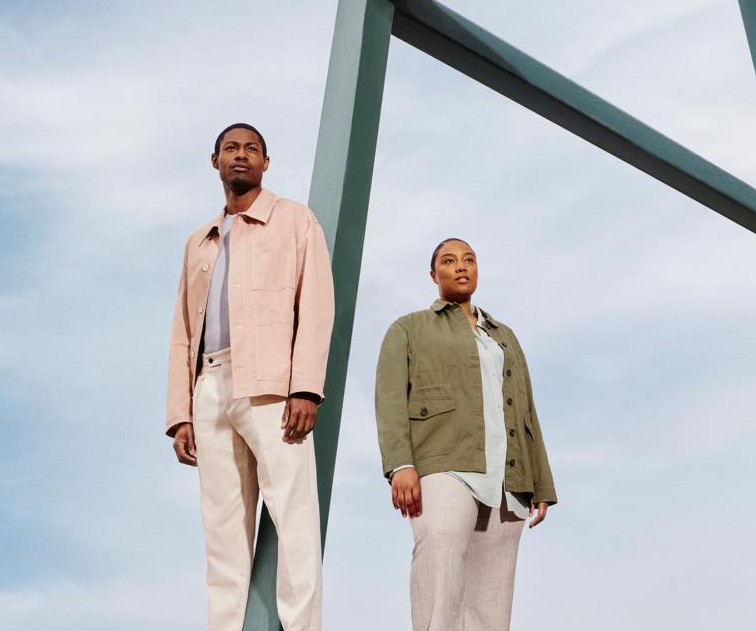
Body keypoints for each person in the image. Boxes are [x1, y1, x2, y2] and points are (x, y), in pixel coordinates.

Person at [165, 122, 334, 631]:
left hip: (271, 387)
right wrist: (180, 414)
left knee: (295, 519)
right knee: (222, 533)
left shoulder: (295, 220)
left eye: (252, 149)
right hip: (210, 386)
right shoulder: (199, 241)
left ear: (266, 162)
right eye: (231, 148)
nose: (241, 155)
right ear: (215, 160)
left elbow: (317, 305)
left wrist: (305, 387)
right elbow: (183, 330)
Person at [375, 238, 556, 630]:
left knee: (491, 597)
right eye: (449, 260)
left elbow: (527, 408)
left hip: (507, 476)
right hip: (443, 465)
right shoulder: (409, 328)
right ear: (433, 274)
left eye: (469, 259)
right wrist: (400, 464)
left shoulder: (504, 336)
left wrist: (541, 483)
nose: (461, 266)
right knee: (440, 562)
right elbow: (389, 399)